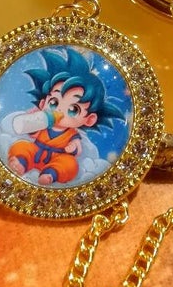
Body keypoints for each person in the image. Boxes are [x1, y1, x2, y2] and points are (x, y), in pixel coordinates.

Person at [7, 47, 124, 185]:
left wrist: (72, 147)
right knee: (21, 146)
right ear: (43, 103)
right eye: (54, 102)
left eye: (73, 109)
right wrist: (33, 120)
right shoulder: (44, 123)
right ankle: (21, 163)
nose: (60, 111)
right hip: (36, 151)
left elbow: (76, 147)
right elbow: (31, 131)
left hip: (58, 158)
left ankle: (50, 174)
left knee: (70, 164)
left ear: (89, 119)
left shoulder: (72, 134)